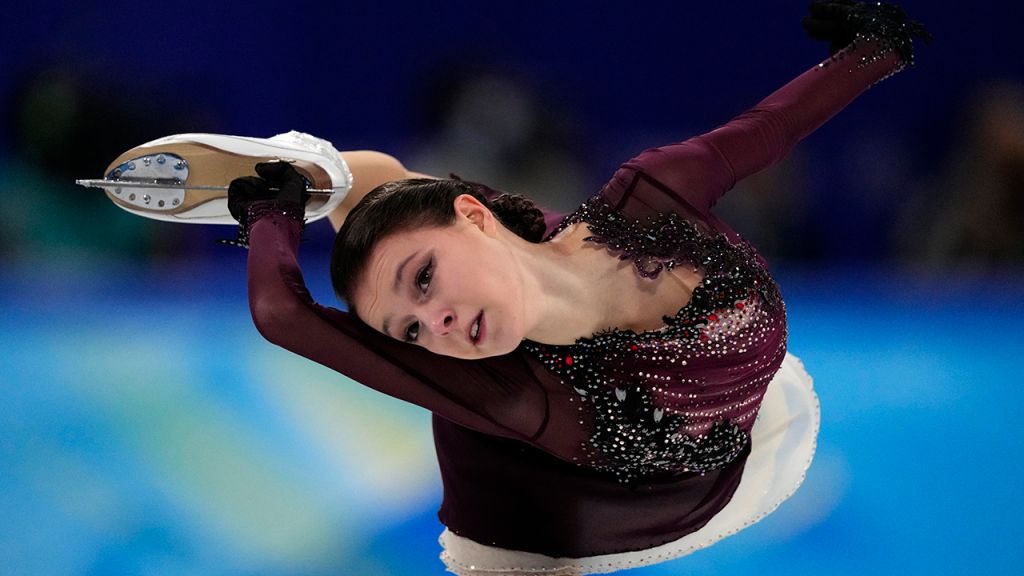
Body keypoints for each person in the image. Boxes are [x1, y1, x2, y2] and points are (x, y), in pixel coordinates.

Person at [84, 2, 929, 573]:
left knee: (396, 201)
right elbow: (280, 312)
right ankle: (325, 183)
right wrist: (266, 216)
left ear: (477, 217)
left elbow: (766, 129)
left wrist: (876, 48)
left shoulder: (650, 199)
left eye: (425, 288)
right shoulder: (511, 394)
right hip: (576, 513)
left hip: (722, 395)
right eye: (413, 331)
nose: (438, 322)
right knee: (409, 264)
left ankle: (338, 181)